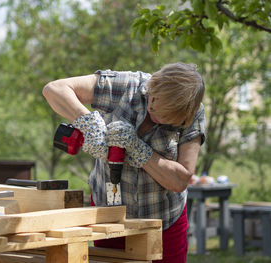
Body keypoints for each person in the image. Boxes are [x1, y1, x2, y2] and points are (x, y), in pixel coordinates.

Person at [43, 62, 206, 263]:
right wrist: (90, 124)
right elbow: (54, 90)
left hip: (163, 219)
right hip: (110, 215)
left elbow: (180, 180)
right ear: (152, 85)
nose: (157, 117)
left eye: (167, 118)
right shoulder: (125, 85)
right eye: (154, 106)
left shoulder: (193, 112)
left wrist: (138, 150)